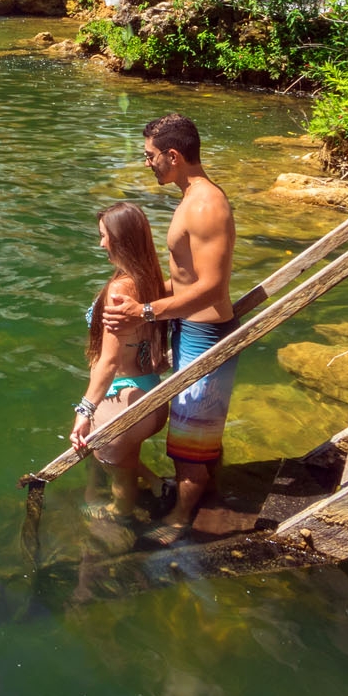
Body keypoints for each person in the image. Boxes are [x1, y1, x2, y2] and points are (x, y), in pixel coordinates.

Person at [103, 112, 237, 544]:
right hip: (192, 330)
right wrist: (144, 297)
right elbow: (186, 280)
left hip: (205, 335)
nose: (148, 164)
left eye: (150, 156)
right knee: (193, 432)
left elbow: (212, 287)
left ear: (173, 155)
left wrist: (146, 313)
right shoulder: (192, 198)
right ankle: (206, 498)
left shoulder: (204, 205)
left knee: (189, 443)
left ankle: (181, 518)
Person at [69, 203, 170, 528]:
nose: (101, 244)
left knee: (120, 480)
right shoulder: (152, 279)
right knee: (123, 460)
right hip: (150, 392)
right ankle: (156, 484)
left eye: (104, 236)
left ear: (121, 240)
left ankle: (117, 523)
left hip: (122, 398)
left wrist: (84, 410)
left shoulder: (118, 291)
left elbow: (110, 361)